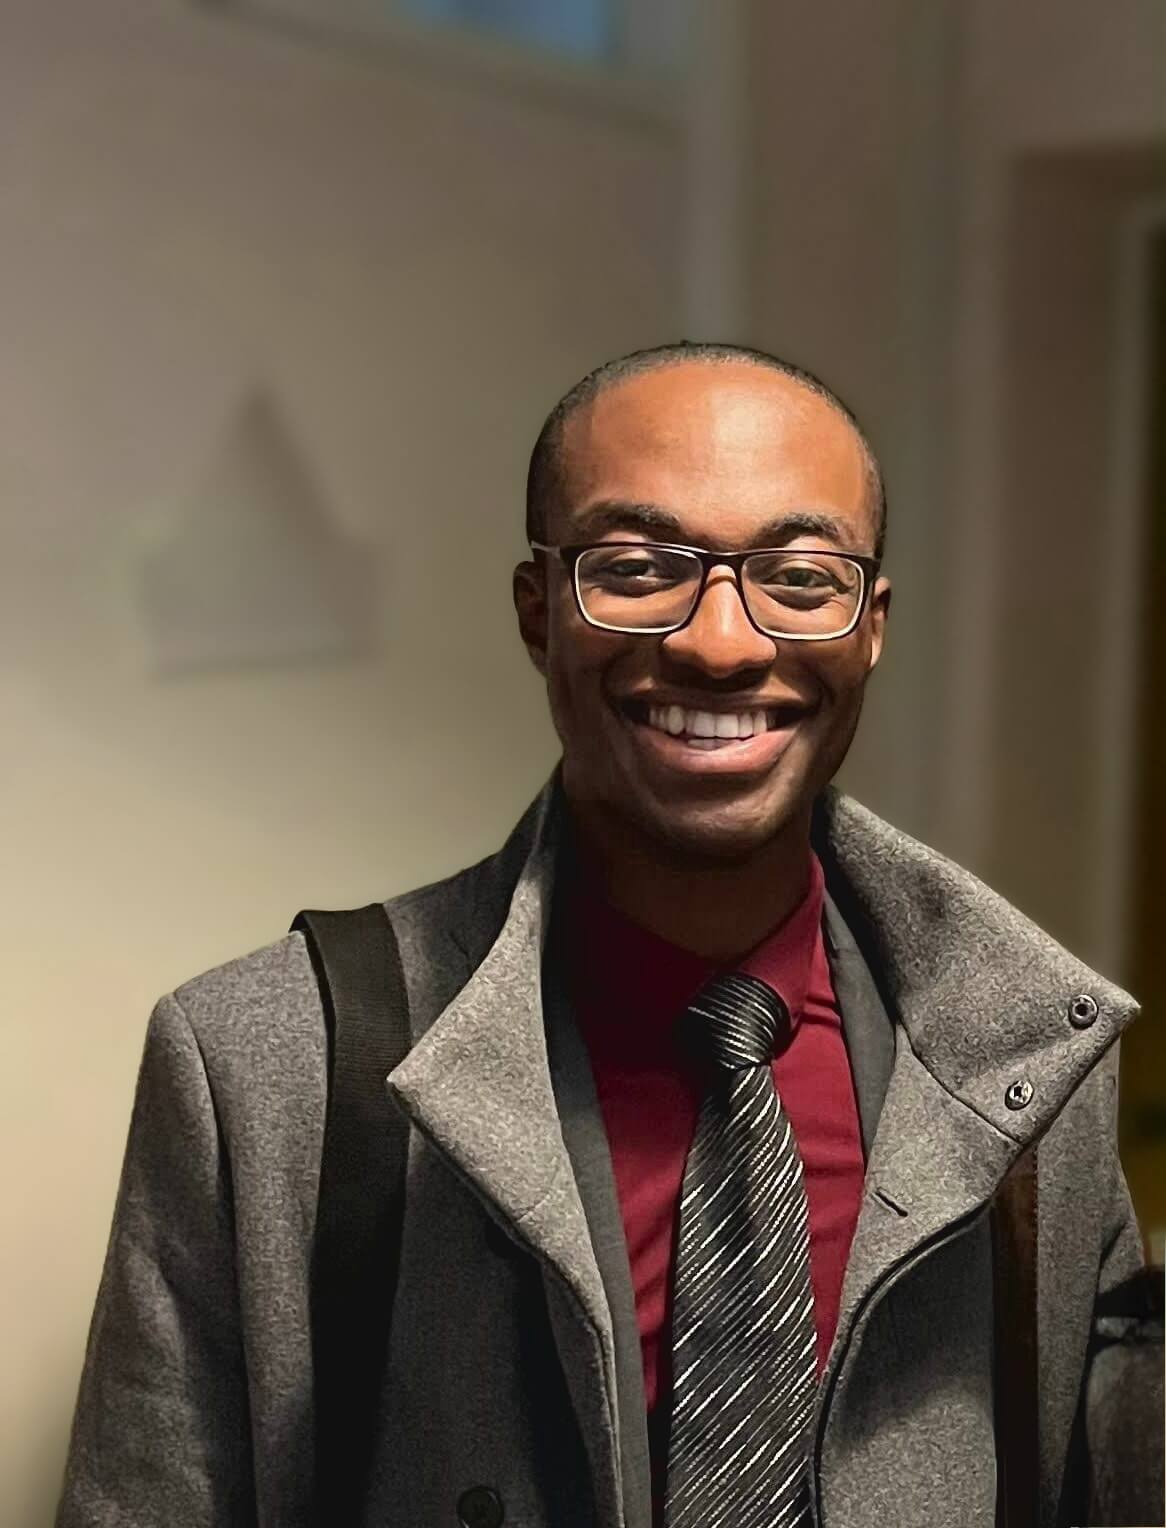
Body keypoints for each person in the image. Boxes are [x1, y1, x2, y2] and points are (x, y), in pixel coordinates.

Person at [57, 342, 1159, 1528]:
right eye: (636, 567)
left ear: (868, 625)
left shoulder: (1031, 1073)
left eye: (797, 576)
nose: (720, 644)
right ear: (538, 612)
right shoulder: (262, 1071)